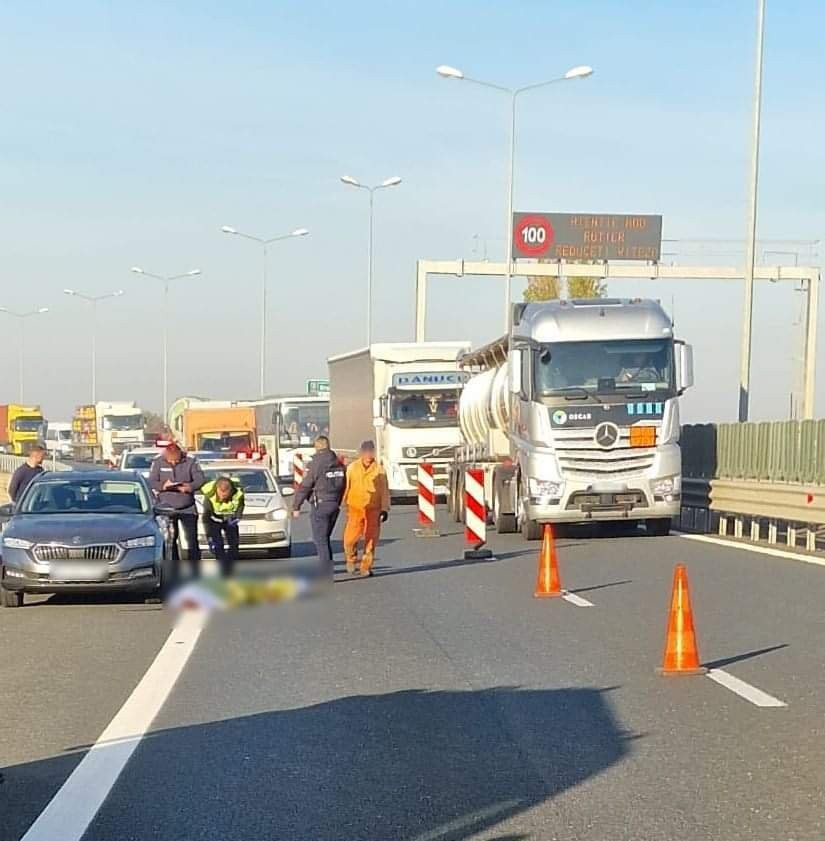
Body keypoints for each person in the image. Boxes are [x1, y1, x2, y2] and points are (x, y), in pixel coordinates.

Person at [292, 435, 346, 579]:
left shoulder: (315, 464)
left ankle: (326, 572)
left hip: (320, 505)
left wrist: (296, 506)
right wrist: (338, 502)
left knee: (320, 539)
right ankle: (327, 567)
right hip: (335, 504)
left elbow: (305, 486)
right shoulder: (338, 463)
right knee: (325, 538)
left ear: (316, 447)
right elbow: (343, 485)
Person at [149, 442, 205, 580]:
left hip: (187, 507)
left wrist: (189, 487)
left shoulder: (191, 461)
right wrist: (163, 486)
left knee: (191, 539)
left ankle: (194, 570)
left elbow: (200, 479)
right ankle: (173, 569)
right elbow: (151, 482)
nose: (173, 462)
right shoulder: (158, 462)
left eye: (176, 460)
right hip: (166, 507)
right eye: (171, 460)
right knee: (170, 540)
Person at [342, 440, 390, 577]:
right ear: (361, 453)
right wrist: (341, 503)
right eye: (366, 452)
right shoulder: (352, 468)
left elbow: (384, 490)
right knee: (350, 539)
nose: (369, 454)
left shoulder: (379, 470)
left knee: (371, 540)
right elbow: (346, 486)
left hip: (373, 510)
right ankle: (351, 558)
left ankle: (365, 567)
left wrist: (385, 508)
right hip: (355, 508)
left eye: (371, 451)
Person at [201, 476, 245, 578]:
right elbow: (206, 517)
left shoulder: (238, 493)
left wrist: (237, 518)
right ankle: (222, 568)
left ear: (230, 491)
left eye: (225, 496)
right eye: (221, 496)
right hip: (214, 519)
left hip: (230, 518)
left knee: (234, 544)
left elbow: (241, 506)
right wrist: (209, 537)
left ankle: (231, 566)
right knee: (217, 545)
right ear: (217, 490)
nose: (222, 498)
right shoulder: (209, 495)